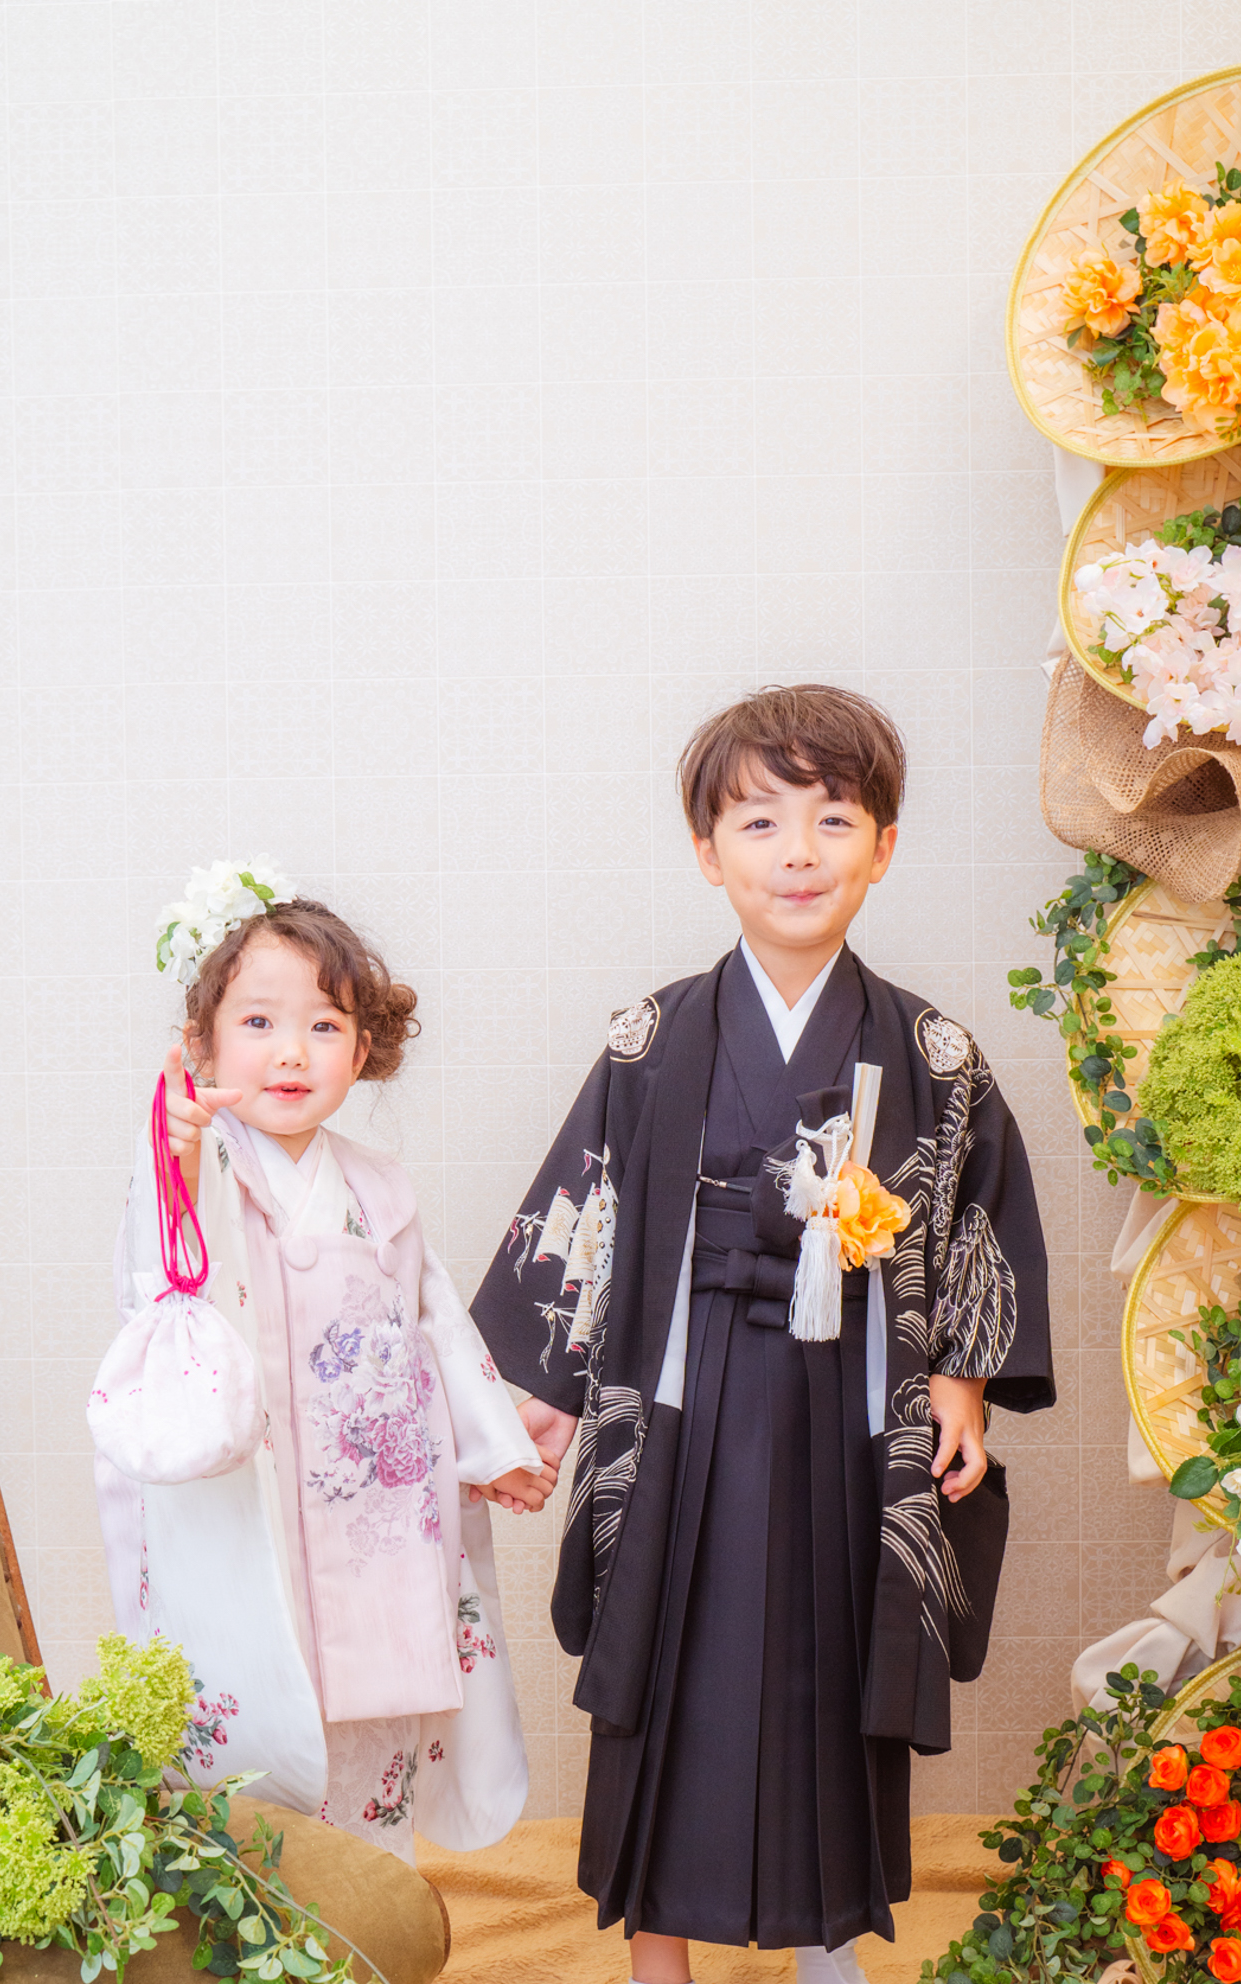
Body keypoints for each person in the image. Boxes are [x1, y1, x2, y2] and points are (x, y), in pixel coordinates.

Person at [470, 686, 1054, 1983]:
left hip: (851, 1407)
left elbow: (978, 1214)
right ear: (706, 852)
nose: (798, 851)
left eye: (833, 820)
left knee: (837, 1664)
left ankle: (830, 1948)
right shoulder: (653, 1040)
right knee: (661, 1658)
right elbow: (589, 1210)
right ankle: (657, 1960)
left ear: (883, 846)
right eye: (759, 822)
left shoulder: (932, 1050)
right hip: (686, 1400)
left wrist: (961, 1380)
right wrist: (547, 1394)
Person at [91, 865, 554, 1863]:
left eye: (325, 1024)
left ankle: (371, 1915)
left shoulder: (379, 1187)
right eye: (258, 1022)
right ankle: (258, 1925)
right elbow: (162, 1290)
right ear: (201, 1044)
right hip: (254, 1507)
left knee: (373, 1728)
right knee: (257, 1720)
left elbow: (435, 1327)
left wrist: (493, 1448)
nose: (291, 1051)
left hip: (371, 1517)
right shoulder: (196, 1162)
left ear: (363, 1050)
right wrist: (173, 1159)